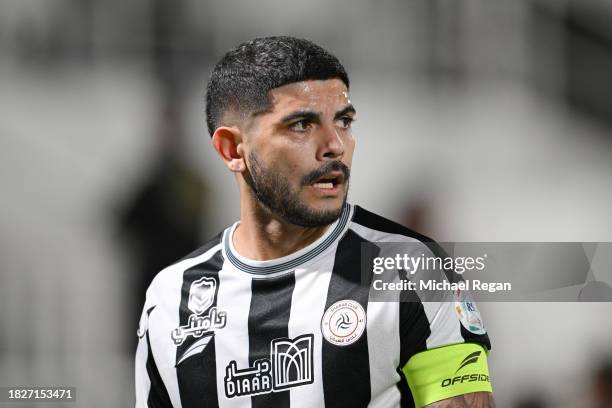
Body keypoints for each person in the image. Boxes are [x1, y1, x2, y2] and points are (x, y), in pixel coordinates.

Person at [135, 36, 495, 408]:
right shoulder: (169, 299)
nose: (335, 144)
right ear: (232, 149)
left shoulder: (409, 270)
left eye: (343, 121)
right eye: (301, 124)